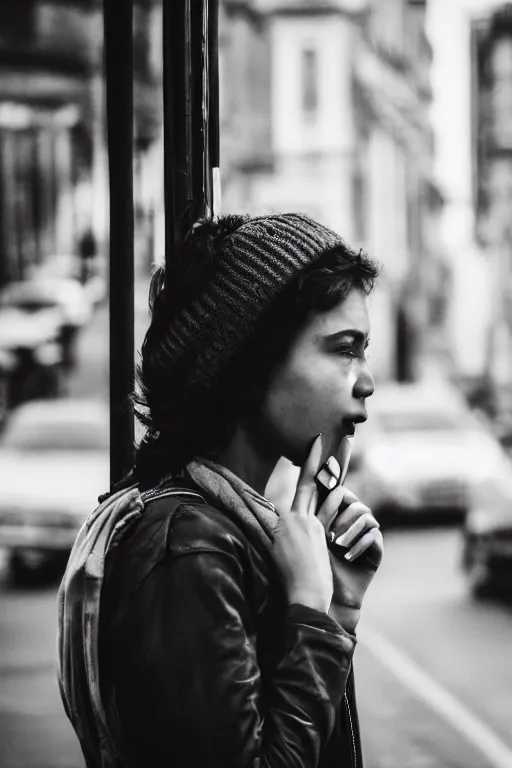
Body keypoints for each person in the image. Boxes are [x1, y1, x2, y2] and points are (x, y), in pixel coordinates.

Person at [57, 212, 384, 768]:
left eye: (363, 351)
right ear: (250, 362)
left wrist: (338, 607)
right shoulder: (189, 547)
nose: (366, 380)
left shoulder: (220, 529)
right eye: (343, 348)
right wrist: (308, 608)